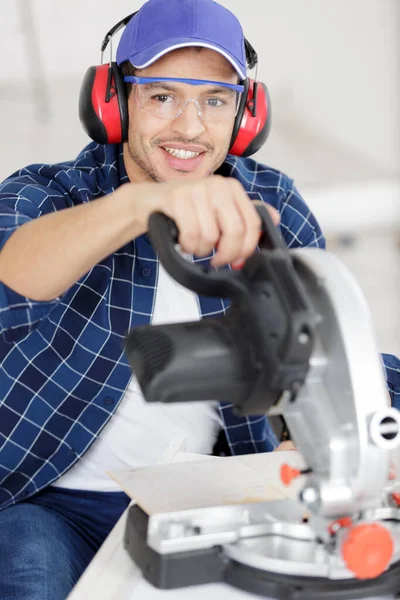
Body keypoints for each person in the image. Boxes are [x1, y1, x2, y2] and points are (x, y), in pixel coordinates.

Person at [0, 0, 398, 598]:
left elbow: (329, 348)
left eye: (214, 101)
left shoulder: (271, 205)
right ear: (114, 102)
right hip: (48, 499)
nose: (189, 127)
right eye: (162, 96)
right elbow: (14, 272)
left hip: (208, 496)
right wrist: (141, 206)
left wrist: (314, 433)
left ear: (245, 115)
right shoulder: (49, 193)